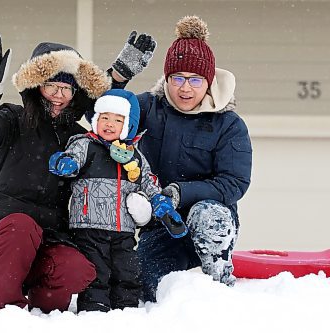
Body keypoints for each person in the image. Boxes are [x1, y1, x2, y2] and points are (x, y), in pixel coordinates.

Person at [0, 31, 156, 312]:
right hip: (5, 236)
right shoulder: (13, 120)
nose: (59, 95)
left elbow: (105, 119)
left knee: (78, 268)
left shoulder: (79, 138)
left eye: (67, 89)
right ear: (35, 85)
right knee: (21, 226)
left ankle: (47, 317)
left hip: (52, 239)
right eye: (52, 86)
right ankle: (4, 315)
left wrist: (118, 77)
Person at [129, 15, 253, 302]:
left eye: (195, 80)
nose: (186, 89)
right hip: (162, 226)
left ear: (208, 81)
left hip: (211, 218)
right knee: (144, 287)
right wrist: (119, 77)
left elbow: (234, 182)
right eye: (178, 78)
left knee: (206, 214)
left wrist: (180, 193)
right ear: (167, 79)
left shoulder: (229, 124)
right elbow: (102, 119)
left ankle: (219, 284)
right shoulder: (148, 108)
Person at [48, 89, 187, 312]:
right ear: (95, 120)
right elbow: (70, 160)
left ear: (128, 125)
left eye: (117, 120)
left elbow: (150, 185)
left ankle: (127, 311)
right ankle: (94, 312)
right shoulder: (85, 145)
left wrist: (164, 208)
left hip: (123, 230)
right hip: (88, 227)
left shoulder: (134, 157)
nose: (109, 124)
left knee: (127, 271)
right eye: (104, 118)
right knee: (96, 273)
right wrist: (65, 163)